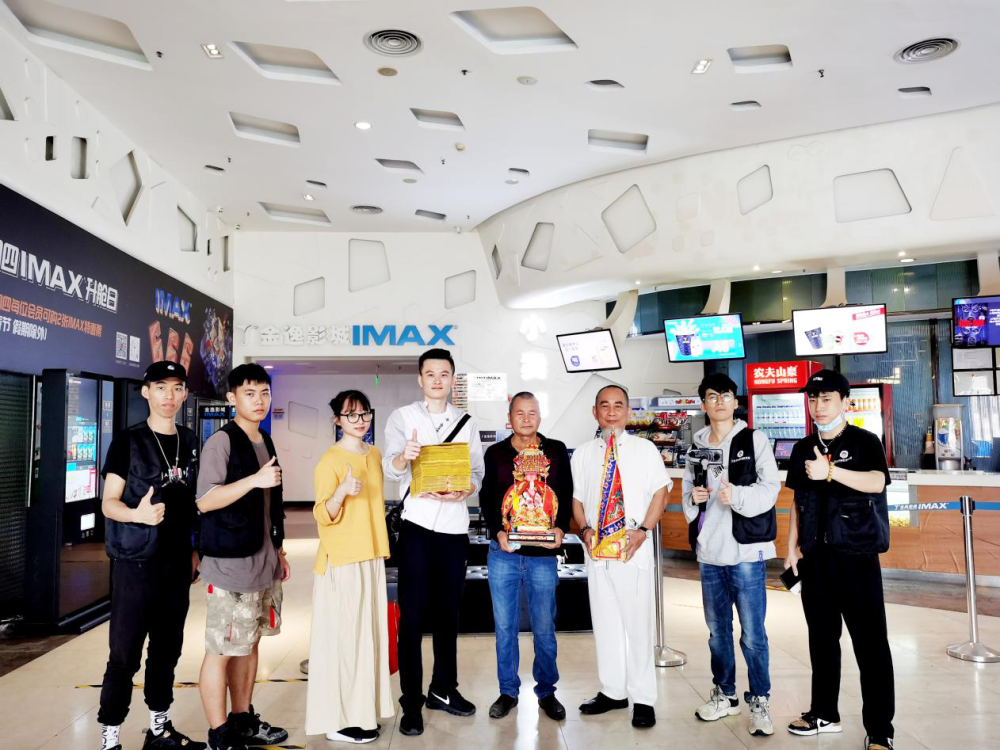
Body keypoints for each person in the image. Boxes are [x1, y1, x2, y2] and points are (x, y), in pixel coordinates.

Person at [784, 369, 895, 750]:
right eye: (813, 399)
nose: (818, 406)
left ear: (845, 402)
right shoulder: (802, 447)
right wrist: (791, 548)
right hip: (815, 559)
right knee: (821, 640)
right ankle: (824, 713)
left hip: (857, 557)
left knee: (871, 645)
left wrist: (830, 471)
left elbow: (877, 482)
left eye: (827, 398)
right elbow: (797, 502)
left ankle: (879, 730)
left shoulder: (865, 441)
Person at [98, 362, 205, 750]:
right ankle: (110, 739)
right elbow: (109, 503)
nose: (169, 396)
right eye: (160, 387)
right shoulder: (127, 441)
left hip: (176, 564)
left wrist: (195, 550)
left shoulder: (190, 440)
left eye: (176, 388)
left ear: (184, 394)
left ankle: (159, 730)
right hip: (136, 563)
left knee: (167, 650)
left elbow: (192, 502)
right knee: (124, 654)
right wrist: (137, 515)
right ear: (146, 392)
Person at [382, 348, 486, 737]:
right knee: (411, 618)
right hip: (417, 527)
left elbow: (477, 471)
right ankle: (411, 703)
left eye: (444, 374)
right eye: (430, 374)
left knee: (448, 615)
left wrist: (466, 490)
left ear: (452, 379)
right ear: (420, 379)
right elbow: (389, 468)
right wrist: (403, 458)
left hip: (455, 530)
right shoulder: (403, 417)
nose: (437, 380)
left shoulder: (467, 422)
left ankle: (443, 688)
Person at [196, 364, 290, 750]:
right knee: (221, 649)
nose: (259, 401)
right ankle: (220, 734)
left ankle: (241, 720)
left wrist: (279, 550)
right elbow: (205, 500)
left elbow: (271, 504)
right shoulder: (221, 442)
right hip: (231, 565)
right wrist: (253, 480)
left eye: (265, 393)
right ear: (232, 398)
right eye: (249, 393)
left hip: (263, 560)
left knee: (250, 644)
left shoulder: (265, 439)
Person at [681, 373, 779, 737]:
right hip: (710, 551)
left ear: (735, 402)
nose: (719, 401)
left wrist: (736, 495)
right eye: (712, 396)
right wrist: (694, 498)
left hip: (746, 551)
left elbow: (771, 487)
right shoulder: (696, 446)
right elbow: (688, 489)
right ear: (703, 405)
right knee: (717, 632)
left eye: (725, 395)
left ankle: (760, 700)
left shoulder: (754, 439)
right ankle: (725, 694)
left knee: (753, 633)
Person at [571, 383, 670, 729]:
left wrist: (644, 530)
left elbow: (661, 493)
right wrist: (584, 529)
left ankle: (643, 698)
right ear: (594, 412)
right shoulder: (583, 453)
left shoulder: (645, 449)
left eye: (618, 406)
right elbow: (577, 500)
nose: (611, 412)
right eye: (604, 405)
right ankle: (613, 691)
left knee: (638, 627)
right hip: (597, 554)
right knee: (606, 624)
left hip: (632, 551)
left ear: (628, 412)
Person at [306, 390, 394, 744]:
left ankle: (360, 712)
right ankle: (337, 720)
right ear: (337, 420)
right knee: (343, 642)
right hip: (342, 561)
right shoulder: (330, 460)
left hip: (370, 556)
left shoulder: (374, 454)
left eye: (364, 413)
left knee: (366, 640)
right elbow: (321, 514)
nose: (360, 420)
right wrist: (341, 491)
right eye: (351, 414)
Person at [479, 392, 572, 722]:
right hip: (504, 553)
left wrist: (560, 528)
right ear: (510, 418)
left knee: (544, 627)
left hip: (542, 555)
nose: (527, 418)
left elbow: (565, 493)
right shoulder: (496, 453)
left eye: (532, 412)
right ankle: (508, 691)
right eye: (520, 413)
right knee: (505, 627)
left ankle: (547, 692)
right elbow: (488, 498)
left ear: (540, 416)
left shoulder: (555, 450)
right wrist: (498, 532)